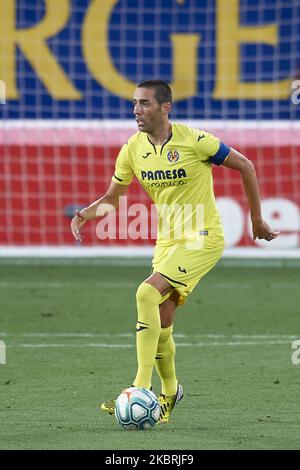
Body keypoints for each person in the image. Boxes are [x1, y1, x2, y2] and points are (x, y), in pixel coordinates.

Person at [71, 79, 279, 424]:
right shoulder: (132, 149)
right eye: (134, 104)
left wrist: (256, 218)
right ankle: (170, 392)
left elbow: (246, 165)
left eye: (145, 104)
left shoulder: (196, 141)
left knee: (146, 293)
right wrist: (85, 214)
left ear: (165, 107)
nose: (137, 110)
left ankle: (139, 387)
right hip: (167, 240)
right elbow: (112, 199)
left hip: (203, 236)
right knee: (162, 321)